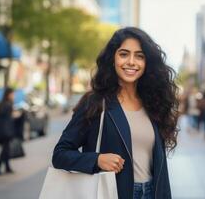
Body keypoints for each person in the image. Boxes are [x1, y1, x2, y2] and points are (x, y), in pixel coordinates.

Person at [52, 27, 180, 199]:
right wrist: (97, 160)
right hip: (112, 193)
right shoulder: (96, 103)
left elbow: (159, 167)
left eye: (139, 56)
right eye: (124, 54)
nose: (132, 62)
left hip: (152, 192)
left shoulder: (154, 104)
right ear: (113, 58)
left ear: (147, 63)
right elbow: (60, 154)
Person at [0, 87, 15, 175]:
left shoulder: (1, 104)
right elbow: (9, 117)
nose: (14, 96)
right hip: (6, 130)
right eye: (13, 94)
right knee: (5, 150)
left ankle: (7, 167)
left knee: (6, 149)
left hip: (2, 130)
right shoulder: (8, 104)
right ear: (8, 95)